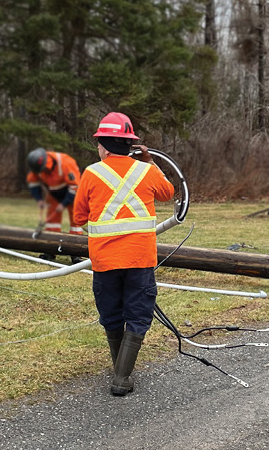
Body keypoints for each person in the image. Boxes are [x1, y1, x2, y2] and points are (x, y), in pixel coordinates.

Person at [73, 112, 174, 396]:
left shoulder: (92, 173)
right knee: (138, 313)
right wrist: (150, 161)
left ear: (103, 145)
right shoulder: (148, 171)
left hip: (105, 260)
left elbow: (79, 217)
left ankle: (120, 370)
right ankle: (121, 375)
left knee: (111, 312)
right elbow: (167, 193)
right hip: (140, 260)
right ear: (130, 144)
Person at [25, 147, 83, 234]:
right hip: (53, 193)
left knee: (75, 216)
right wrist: (39, 200)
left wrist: (63, 204)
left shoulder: (66, 163)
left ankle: (76, 239)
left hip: (71, 192)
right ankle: (51, 238)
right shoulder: (37, 167)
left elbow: (75, 187)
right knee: (52, 222)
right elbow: (33, 183)